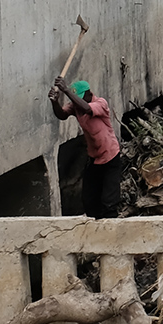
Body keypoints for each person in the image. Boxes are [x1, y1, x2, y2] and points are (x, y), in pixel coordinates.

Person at [48, 77, 124, 218]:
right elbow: (62, 115)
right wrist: (55, 102)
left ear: (89, 93)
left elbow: (87, 108)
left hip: (110, 155)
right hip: (94, 158)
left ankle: (111, 227)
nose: (76, 103)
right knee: (89, 199)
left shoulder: (100, 103)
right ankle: (95, 225)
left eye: (80, 98)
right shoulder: (76, 106)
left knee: (109, 200)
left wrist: (65, 90)